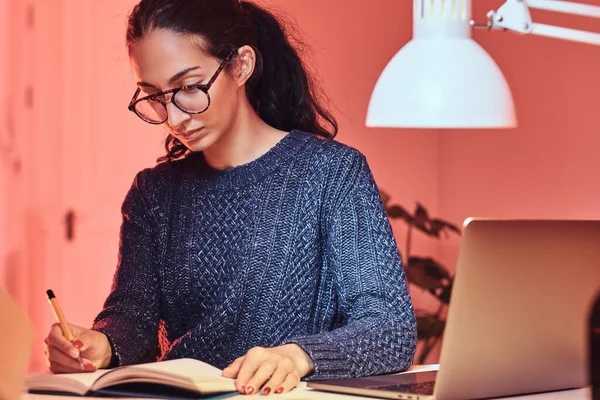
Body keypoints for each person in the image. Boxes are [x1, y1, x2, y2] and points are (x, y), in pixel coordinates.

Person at [43, 0, 417, 395]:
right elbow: (133, 320)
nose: (174, 117)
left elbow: (389, 329)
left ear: (241, 65)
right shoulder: (152, 194)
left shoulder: (331, 174)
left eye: (189, 87)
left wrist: (297, 356)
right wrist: (102, 345)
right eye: (153, 95)